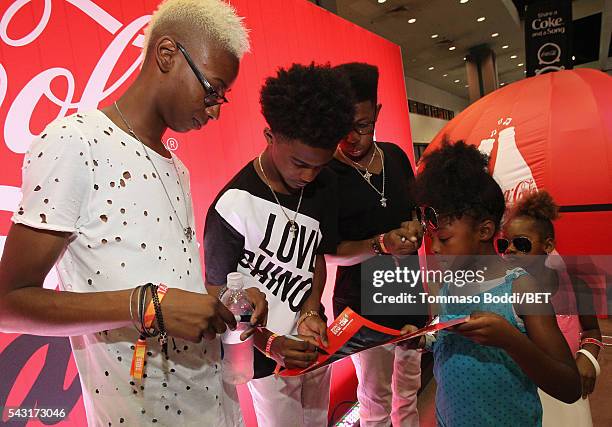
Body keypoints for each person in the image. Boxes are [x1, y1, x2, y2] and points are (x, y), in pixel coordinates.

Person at [0, 1, 272, 425]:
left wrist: (220, 302)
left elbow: (163, 279)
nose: (217, 109)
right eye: (213, 89)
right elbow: (8, 304)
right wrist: (148, 305)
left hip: (213, 404)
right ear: (166, 54)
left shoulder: (175, 166)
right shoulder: (75, 141)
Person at [203, 62, 355, 427]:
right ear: (270, 136)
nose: (308, 176)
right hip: (262, 358)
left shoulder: (325, 184)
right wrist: (269, 343)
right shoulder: (233, 205)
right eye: (300, 163)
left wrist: (311, 312)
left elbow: (316, 255)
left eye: (319, 165)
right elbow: (216, 293)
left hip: (312, 343)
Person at [403, 141, 581, 426]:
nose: (434, 248)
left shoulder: (522, 289)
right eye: (431, 237)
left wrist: (511, 341)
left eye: (445, 239)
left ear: (484, 230)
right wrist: (425, 338)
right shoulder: (447, 283)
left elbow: (570, 386)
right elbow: (448, 338)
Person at [325, 62, 426, 427]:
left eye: (363, 126)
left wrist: (417, 228)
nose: (352, 137)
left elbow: (417, 212)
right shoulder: (326, 175)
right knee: (374, 399)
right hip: (361, 303)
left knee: (410, 390)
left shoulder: (396, 157)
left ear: (377, 113)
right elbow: (330, 251)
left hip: (407, 293)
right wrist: (380, 244)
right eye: (342, 127)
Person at [500, 190, 602, 426]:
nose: (511, 250)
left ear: (548, 244)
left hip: (565, 391)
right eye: (504, 243)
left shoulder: (575, 286)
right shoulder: (503, 289)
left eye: (522, 243)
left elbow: (592, 331)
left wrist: (587, 357)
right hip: (520, 389)